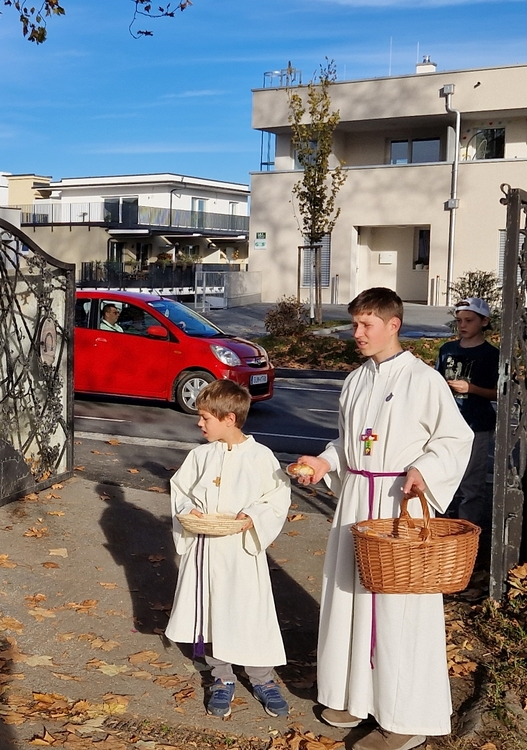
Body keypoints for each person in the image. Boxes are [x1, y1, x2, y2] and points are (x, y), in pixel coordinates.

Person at [294, 287, 473, 750]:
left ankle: (405, 718)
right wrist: (324, 462)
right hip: (357, 501)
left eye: (366, 324)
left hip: (397, 505)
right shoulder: (355, 380)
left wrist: (425, 469)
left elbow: (455, 439)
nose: (357, 333)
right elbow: (348, 443)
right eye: (355, 324)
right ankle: (354, 696)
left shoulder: (423, 380)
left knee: (398, 611)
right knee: (349, 599)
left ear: (393, 325)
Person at [165, 379, 292, 719]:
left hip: (241, 551)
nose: (199, 423)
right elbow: (181, 490)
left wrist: (254, 515)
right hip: (206, 548)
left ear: (229, 419)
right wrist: (189, 509)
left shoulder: (261, 457)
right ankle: (221, 676)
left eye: (205, 417)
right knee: (211, 610)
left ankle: (262, 678)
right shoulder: (200, 456)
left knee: (249, 611)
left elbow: (277, 496)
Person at [435, 297, 499, 563]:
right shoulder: (447, 349)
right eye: (459, 320)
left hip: (476, 425)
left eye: (469, 320)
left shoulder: (491, 355)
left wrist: (470, 388)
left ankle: (466, 543)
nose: (463, 325)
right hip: (446, 425)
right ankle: (440, 534)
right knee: (443, 479)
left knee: (471, 486)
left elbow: (498, 392)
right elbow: (436, 382)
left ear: (484, 322)